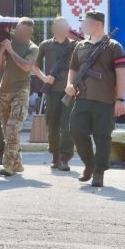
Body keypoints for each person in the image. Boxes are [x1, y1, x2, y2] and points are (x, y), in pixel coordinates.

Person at [66, 10, 125, 188]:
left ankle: (99, 172)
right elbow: (73, 69)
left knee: (102, 137)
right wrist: (69, 85)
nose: (83, 26)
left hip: (104, 100)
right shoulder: (81, 46)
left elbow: (121, 74)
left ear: (97, 24)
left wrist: (120, 99)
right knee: (76, 131)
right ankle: (89, 164)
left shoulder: (114, 46)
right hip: (82, 99)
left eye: (86, 22)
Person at [0, 17, 39, 177]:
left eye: (22, 31)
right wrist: (4, 48)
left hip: (21, 90)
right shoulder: (9, 40)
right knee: (7, 130)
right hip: (4, 90)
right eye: (17, 29)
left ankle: (8, 164)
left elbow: (26, 66)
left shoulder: (33, 48)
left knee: (13, 127)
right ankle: (17, 162)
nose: (18, 33)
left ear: (29, 32)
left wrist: (11, 50)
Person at [33, 17, 76, 171]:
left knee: (67, 125)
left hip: (69, 92)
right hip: (52, 91)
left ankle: (65, 158)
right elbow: (34, 65)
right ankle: (55, 156)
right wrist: (44, 78)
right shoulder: (45, 45)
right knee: (52, 124)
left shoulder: (74, 45)